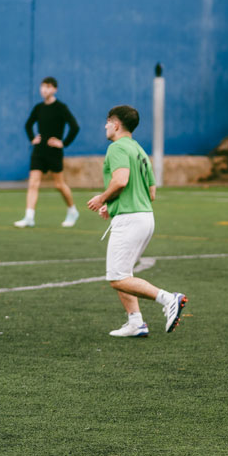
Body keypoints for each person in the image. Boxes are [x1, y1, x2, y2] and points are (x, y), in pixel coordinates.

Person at [86, 105, 187, 339]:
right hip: (144, 216)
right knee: (125, 274)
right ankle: (136, 323)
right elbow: (151, 192)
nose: (105, 126)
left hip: (131, 220)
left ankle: (169, 299)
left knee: (117, 278)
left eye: (107, 121)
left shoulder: (117, 147)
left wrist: (101, 197)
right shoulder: (139, 151)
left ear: (117, 124)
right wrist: (111, 206)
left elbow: (121, 180)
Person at [15, 77, 80, 228]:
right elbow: (28, 125)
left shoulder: (61, 107)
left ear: (55, 89)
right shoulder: (38, 108)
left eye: (48, 87)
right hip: (39, 151)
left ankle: (72, 211)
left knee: (59, 184)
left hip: (54, 152)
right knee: (33, 183)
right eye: (43, 87)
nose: (44, 90)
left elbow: (74, 126)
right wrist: (32, 138)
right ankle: (29, 217)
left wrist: (62, 143)